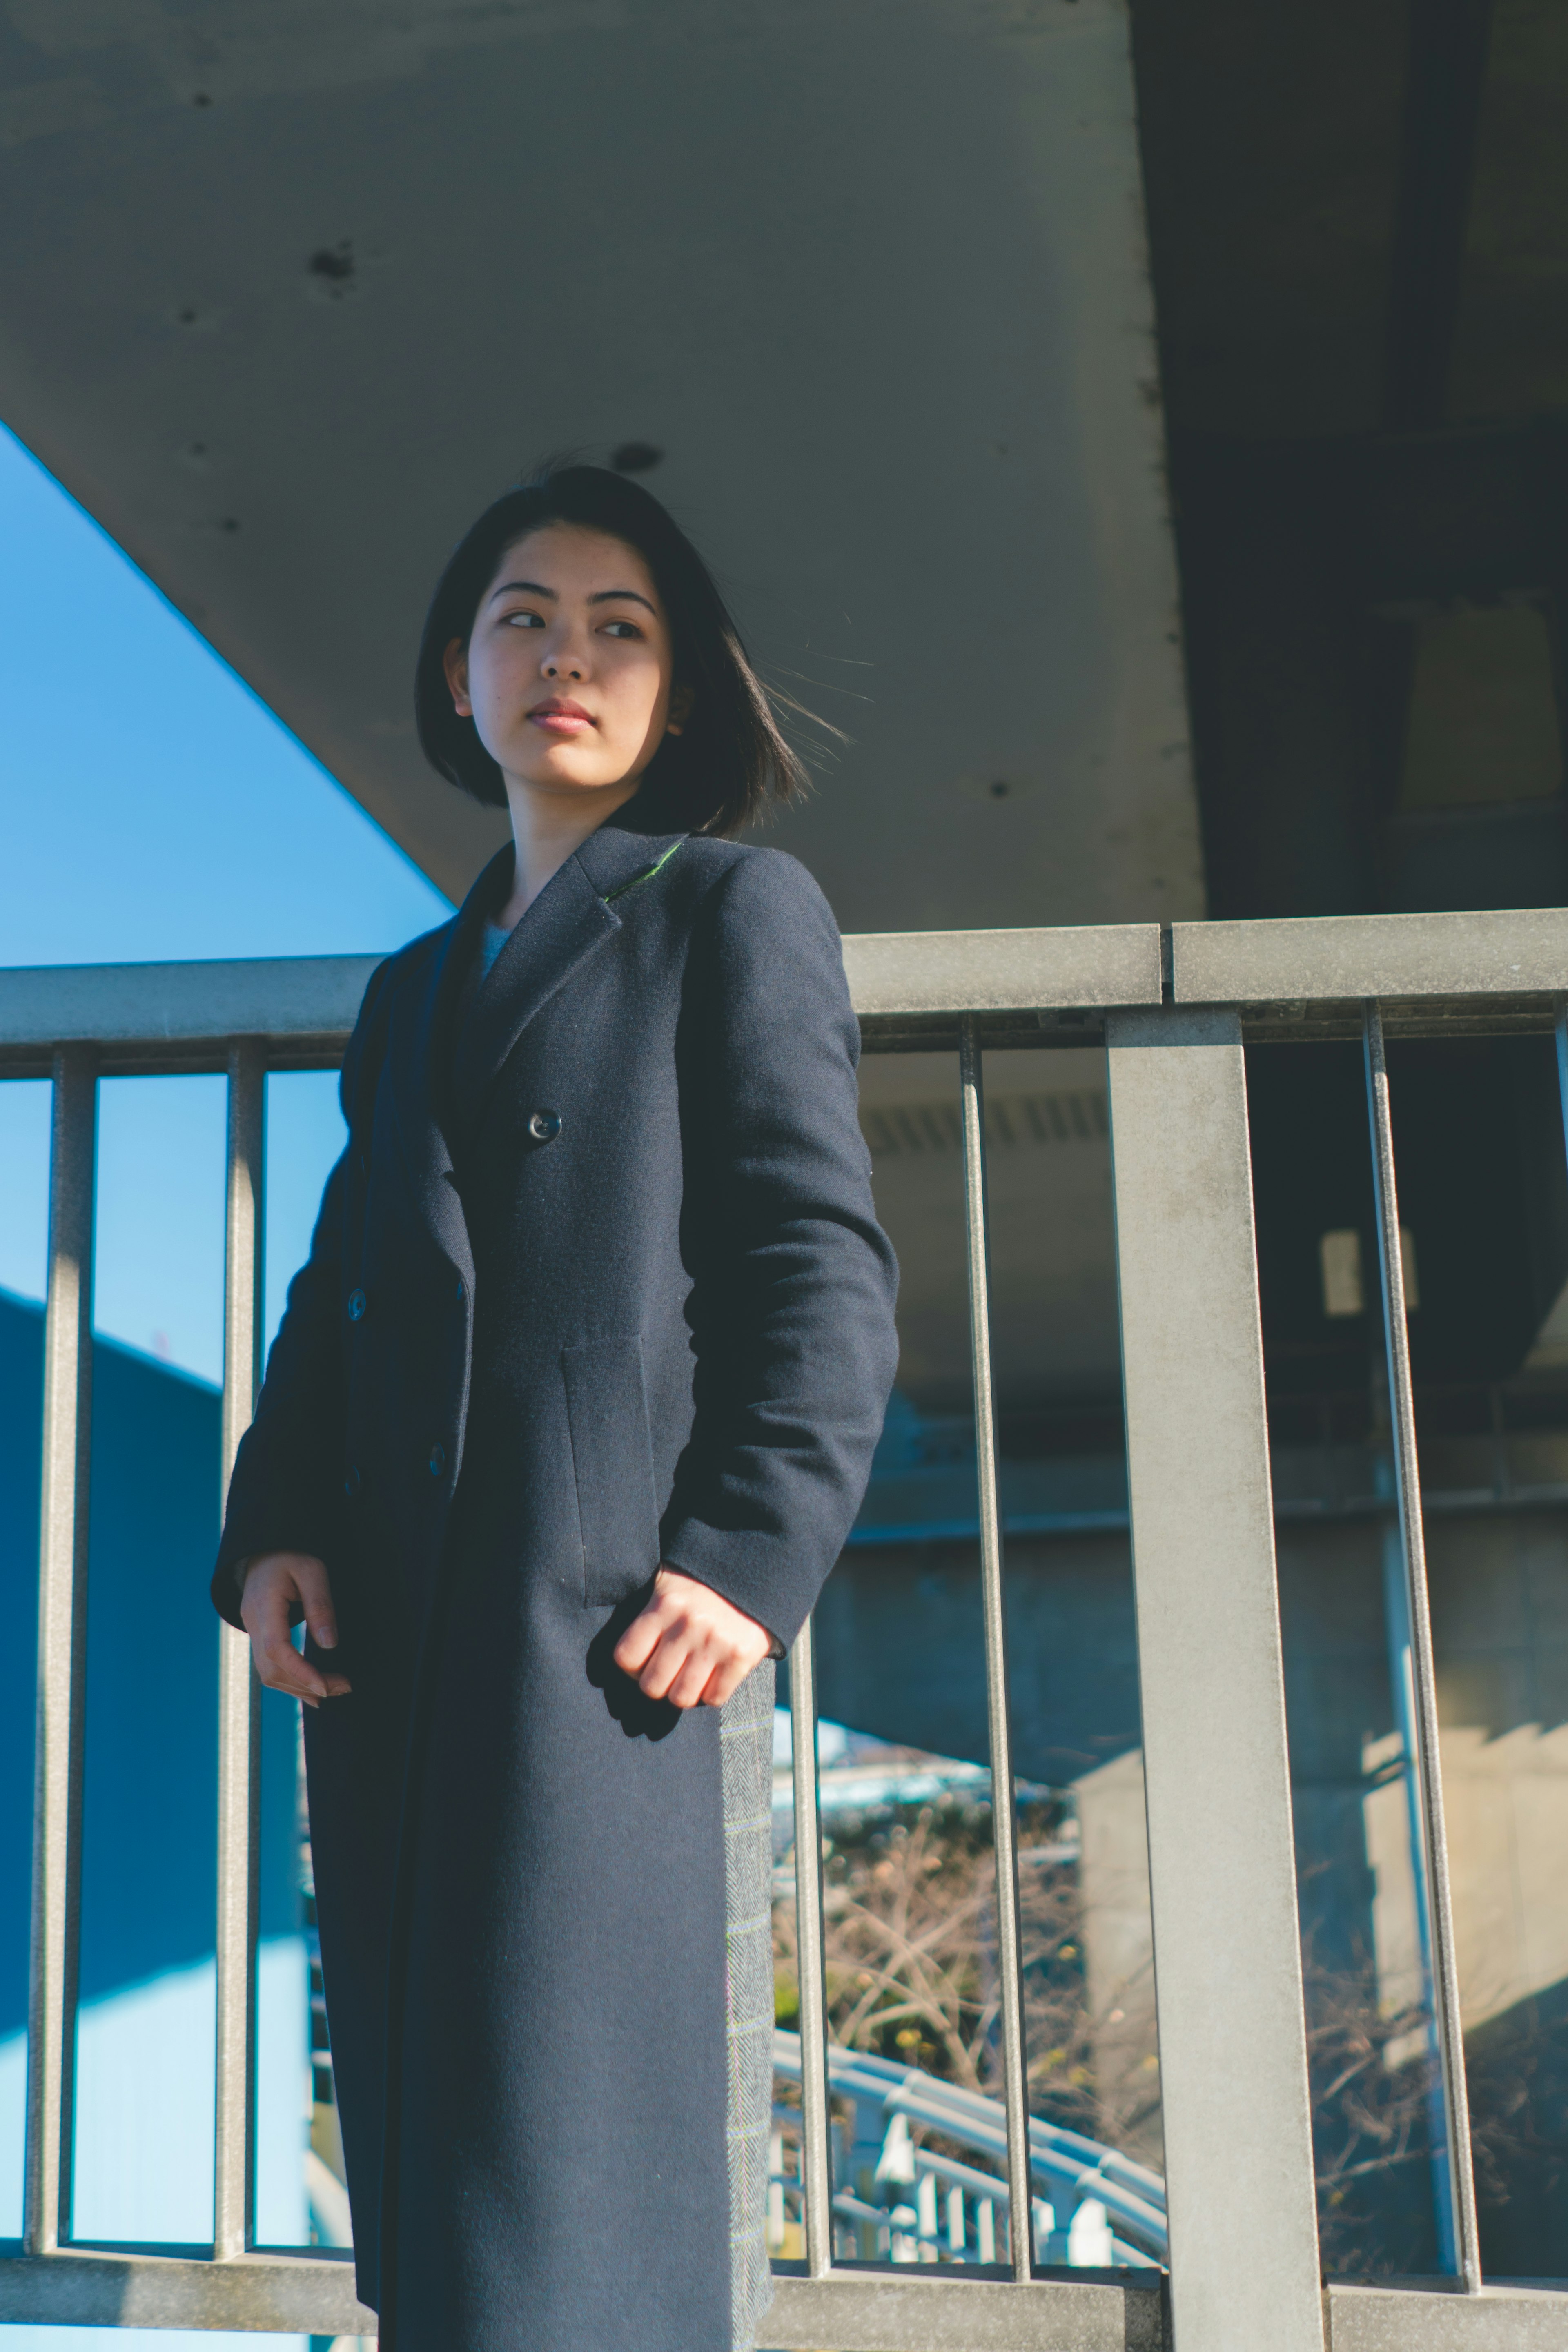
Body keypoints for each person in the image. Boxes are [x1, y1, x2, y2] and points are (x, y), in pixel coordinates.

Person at [210, 462, 900, 2352]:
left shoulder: (731, 912)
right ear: (458, 675)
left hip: (604, 1628)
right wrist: (273, 1525)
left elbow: (817, 1265)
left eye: (620, 628)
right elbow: (339, 1295)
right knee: (433, 2165)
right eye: (525, 618)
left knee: (574, 2178)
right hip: (403, 1618)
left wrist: (748, 1557)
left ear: (679, 691)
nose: (566, 659)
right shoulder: (411, 987)